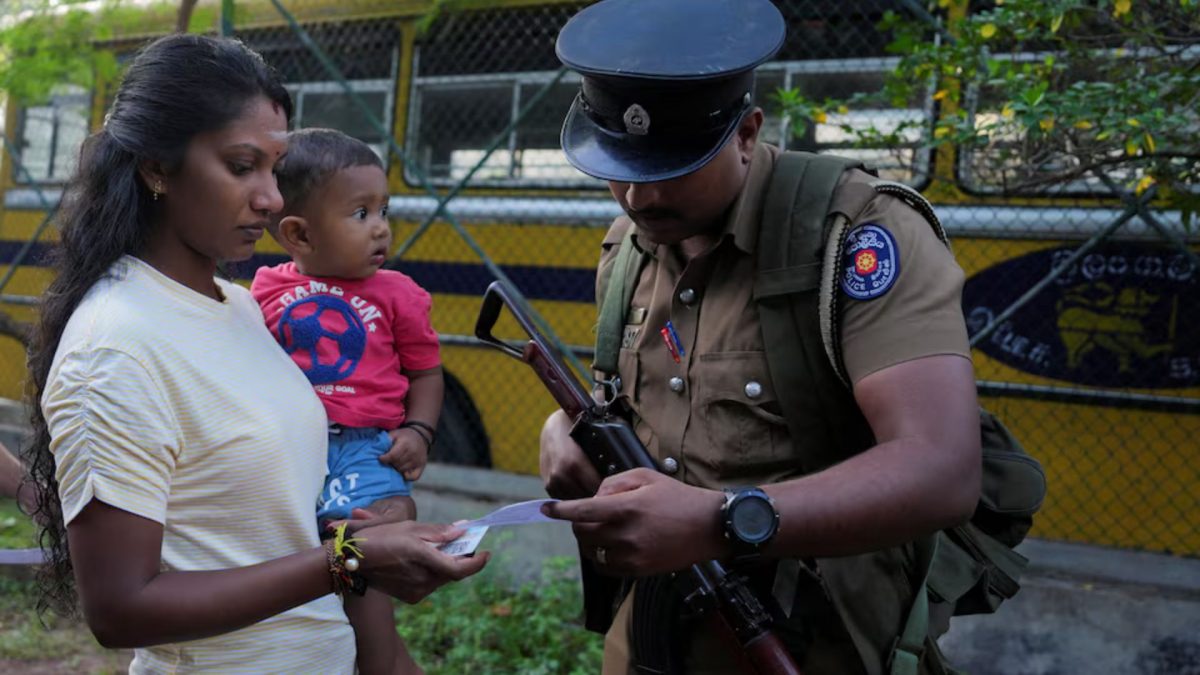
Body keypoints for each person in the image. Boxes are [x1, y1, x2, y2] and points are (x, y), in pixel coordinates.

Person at [538, 1, 981, 674]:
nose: (637, 199)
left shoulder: (855, 238)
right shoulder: (630, 248)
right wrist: (567, 429)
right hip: (649, 640)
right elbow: (646, 410)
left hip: (811, 645)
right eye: (620, 168)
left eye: (669, 168)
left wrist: (721, 519)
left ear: (747, 133)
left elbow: (942, 470)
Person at [23, 34, 486, 674]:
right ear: (157, 167)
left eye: (275, 167)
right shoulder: (115, 348)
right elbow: (121, 608)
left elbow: (269, 527)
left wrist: (369, 524)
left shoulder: (238, 307)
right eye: (242, 167)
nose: (271, 198)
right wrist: (351, 561)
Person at [250, 127, 443, 675]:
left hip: (365, 451)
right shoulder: (265, 290)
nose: (381, 227)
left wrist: (419, 432)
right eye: (360, 214)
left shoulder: (399, 294)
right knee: (311, 572)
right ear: (299, 235)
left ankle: (378, 661)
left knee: (358, 553)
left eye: (383, 209)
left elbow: (427, 372)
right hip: (290, 451)